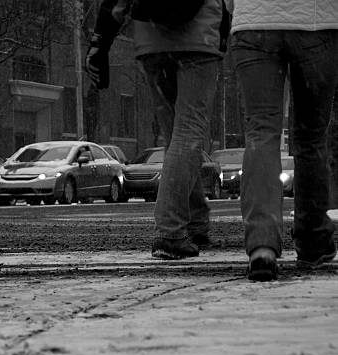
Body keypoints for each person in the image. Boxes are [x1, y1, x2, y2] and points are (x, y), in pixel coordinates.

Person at [86, 0, 229, 259]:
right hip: (199, 38)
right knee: (188, 134)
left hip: (152, 42)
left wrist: (100, 43)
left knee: (176, 137)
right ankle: (171, 231)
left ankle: (195, 221)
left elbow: (116, 3)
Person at [227, 0, 338, 281]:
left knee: (261, 133)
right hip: (317, 24)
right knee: (311, 136)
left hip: (254, 23)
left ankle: (261, 245)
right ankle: (313, 238)